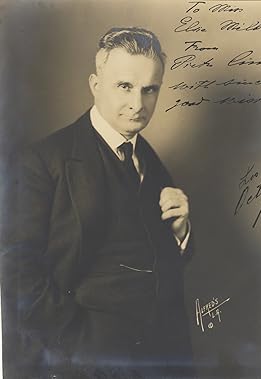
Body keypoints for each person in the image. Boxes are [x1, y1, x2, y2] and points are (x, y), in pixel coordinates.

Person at [1, 27, 193, 379]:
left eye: (149, 90)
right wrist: (77, 344)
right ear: (95, 85)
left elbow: (156, 260)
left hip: (160, 358)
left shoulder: (150, 160)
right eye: (125, 86)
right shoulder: (44, 161)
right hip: (82, 361)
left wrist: (180, 234)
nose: (138, 103)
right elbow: (16, 273)